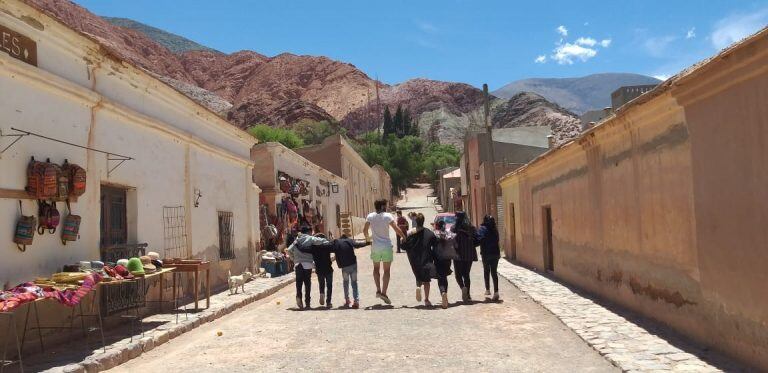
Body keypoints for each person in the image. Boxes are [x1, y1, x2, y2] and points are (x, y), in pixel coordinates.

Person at [363, 199, 405, 304]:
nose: (386, 207)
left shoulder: (370, 216)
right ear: (382, 206)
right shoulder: (387, 216)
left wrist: (368, 239)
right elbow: (396, 228)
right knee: (387, 271)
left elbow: (365, 230)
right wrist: (404, 237)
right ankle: (384, 292)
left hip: (375, 247)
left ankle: (378, 290)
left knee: (376, 268)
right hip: (386, 246)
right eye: (385, 205)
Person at [287, 225, 329, 310]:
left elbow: (289, 250)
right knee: (307, 284)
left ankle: (299, 297)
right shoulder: (310, 238)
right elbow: (320, 241)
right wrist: (327, 240)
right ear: (309, 232)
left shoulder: (297, 240)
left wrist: (294, 259)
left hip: (298, 264)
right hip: (307, 264)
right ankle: (307, 303)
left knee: (299, 283)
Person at [402, 213, 438, 307]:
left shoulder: (410, 233)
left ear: (415, 221)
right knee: (427, 281)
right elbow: (435, 244)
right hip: (426, 259)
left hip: (414, 260)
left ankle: (418, 286)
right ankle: (426, 299)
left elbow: (404, 246)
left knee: (418, 275)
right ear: (423, 221)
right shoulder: (429, 232)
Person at [298, 233, 334, 308]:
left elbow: (302, 249)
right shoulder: (327, 246)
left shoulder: (313, 248)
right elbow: (336, 247)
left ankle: (322, 293)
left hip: (319, 269)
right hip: (328, 268)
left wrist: (296, 243)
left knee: (321, 283)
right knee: (329, 285)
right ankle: (328, 302)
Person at [451, 211, 478, 302]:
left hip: (458, 255)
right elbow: (477, 239)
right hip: (469, 254)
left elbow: (450, 239)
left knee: (458, 275)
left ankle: (463, 288)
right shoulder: (471, 228)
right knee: (466, 274)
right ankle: (468, 295)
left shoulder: (454, 228)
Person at [433, 220, 455, 309]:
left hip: (438, 258)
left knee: (440, 277)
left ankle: (442, 292)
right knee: (444, 276)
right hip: (447, 258)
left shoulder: (434, 234)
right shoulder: (447, 234)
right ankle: (445, 292)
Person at [478, 215, 501, 301]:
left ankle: (487, 289)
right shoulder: (495, 230)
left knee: (486, 271)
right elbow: (497, 240)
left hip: (486, 254)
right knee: (494, 272)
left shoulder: (482, 229)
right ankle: (496, 292)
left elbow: (479, 238)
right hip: (495, 253)